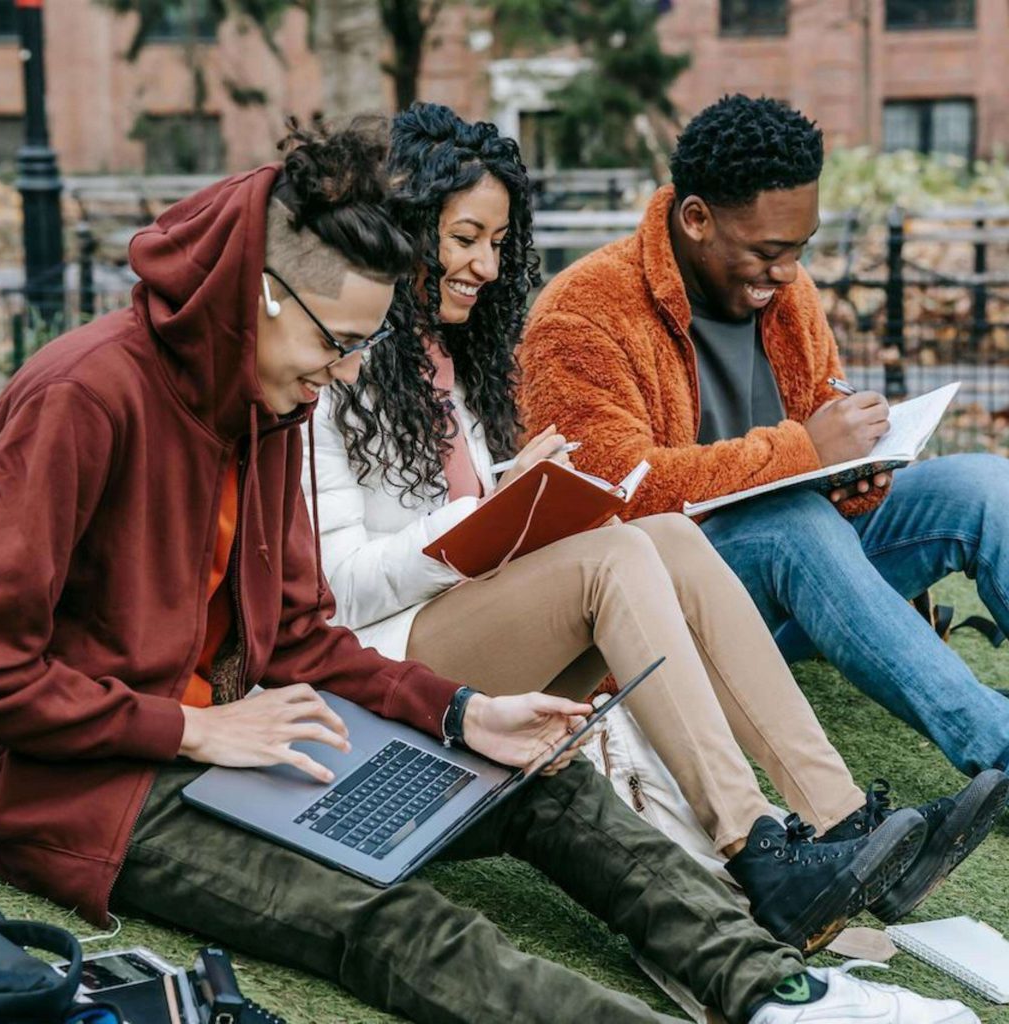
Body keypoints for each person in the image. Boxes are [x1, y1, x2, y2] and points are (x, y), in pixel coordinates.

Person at [0, 113, 971, 1024]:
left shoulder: (268, 399)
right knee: (389, 919)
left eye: (360, 349)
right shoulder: (80, 397)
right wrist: (195, 725)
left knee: (543, 781)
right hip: (107, 789)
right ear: (261, 296)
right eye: (334, 345)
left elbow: (297, 635)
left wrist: (464, 714)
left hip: (257, 735)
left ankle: (778, 992)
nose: (340, 375)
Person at [303, 102, 996, 962]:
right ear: (403, 230)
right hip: (387, 657)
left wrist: (521, 504)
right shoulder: (326, 366)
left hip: (477, 610)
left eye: (496, 242)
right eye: (463, 239)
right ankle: (758, 847)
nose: (485, 265)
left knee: (664, 539)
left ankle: (836, 821)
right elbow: (335, 594)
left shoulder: (459, 356)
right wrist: (484, 518)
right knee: (631, 546)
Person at [517, 93, 1009, 912]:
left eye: (802, 248)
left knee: (984, 484)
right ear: (699, 218)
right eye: (770, 251)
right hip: (678, 603)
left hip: (806, 563)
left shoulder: (784, 286)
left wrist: (858, 470)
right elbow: (606, 498)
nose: (787, 273)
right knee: (790, 523)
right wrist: (803, 454)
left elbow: (820, 404)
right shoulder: (581, 313)